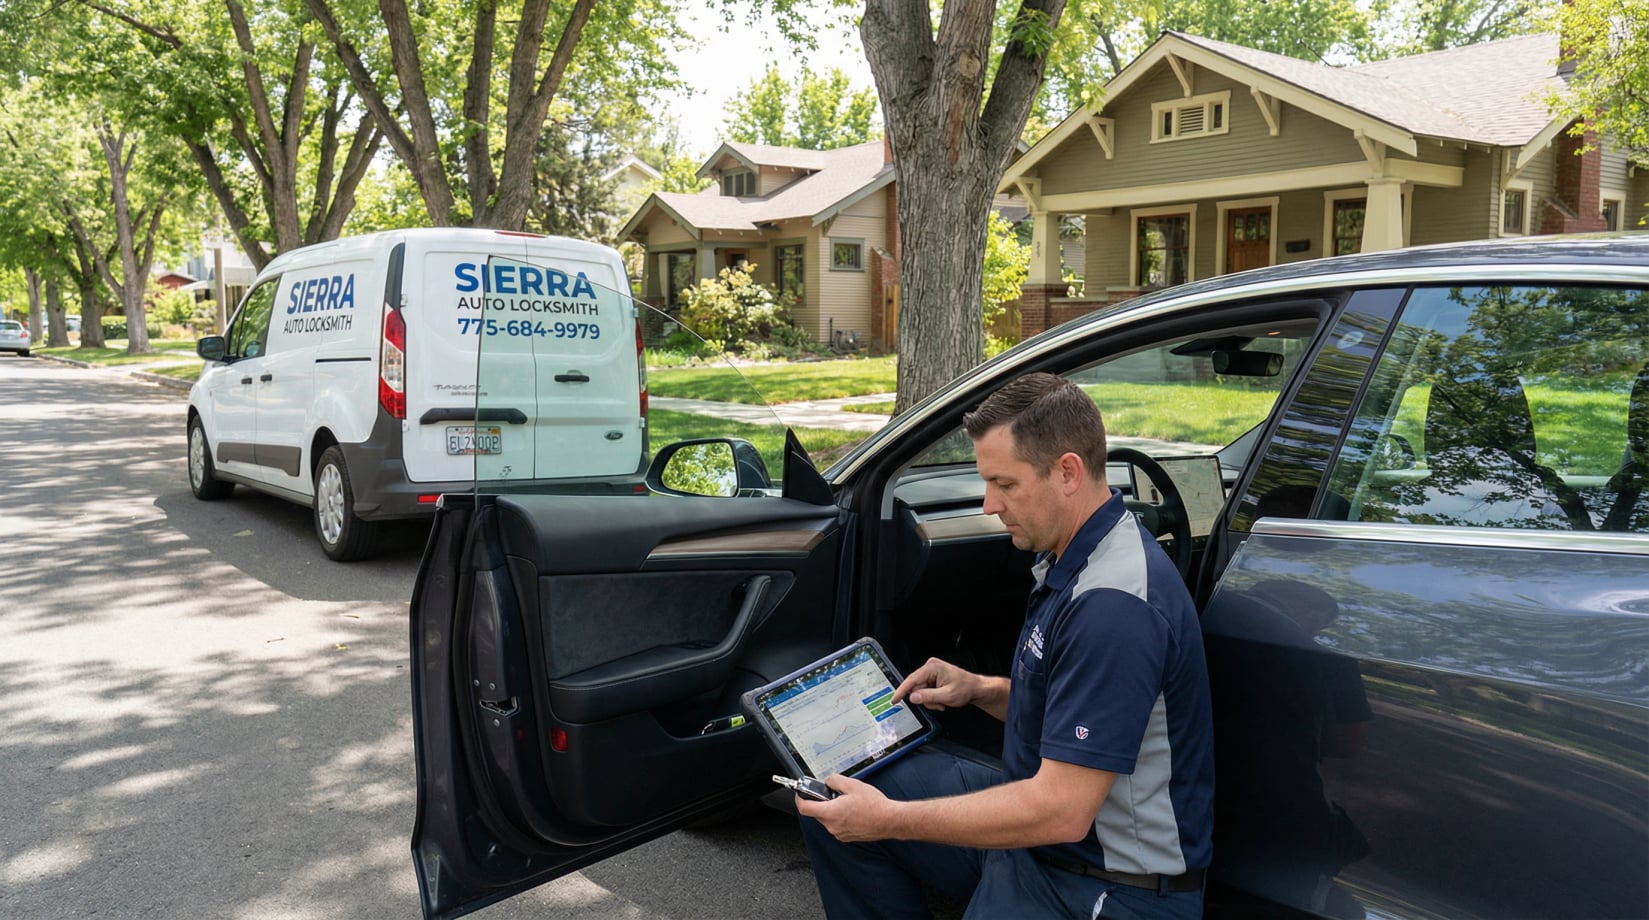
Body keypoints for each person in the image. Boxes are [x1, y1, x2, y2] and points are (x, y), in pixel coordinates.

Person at [796, 373, 1215, 919]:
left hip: (1104, 887)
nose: (990, 504)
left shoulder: (1113, 608)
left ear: (1067, 472)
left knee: (871, 813)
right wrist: (981, 690)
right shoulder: (1079, 554)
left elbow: (1061, 812)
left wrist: (890, 818)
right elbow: (1076, 711)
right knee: (838, 796)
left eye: (1005, 484)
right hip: (1046, 846)